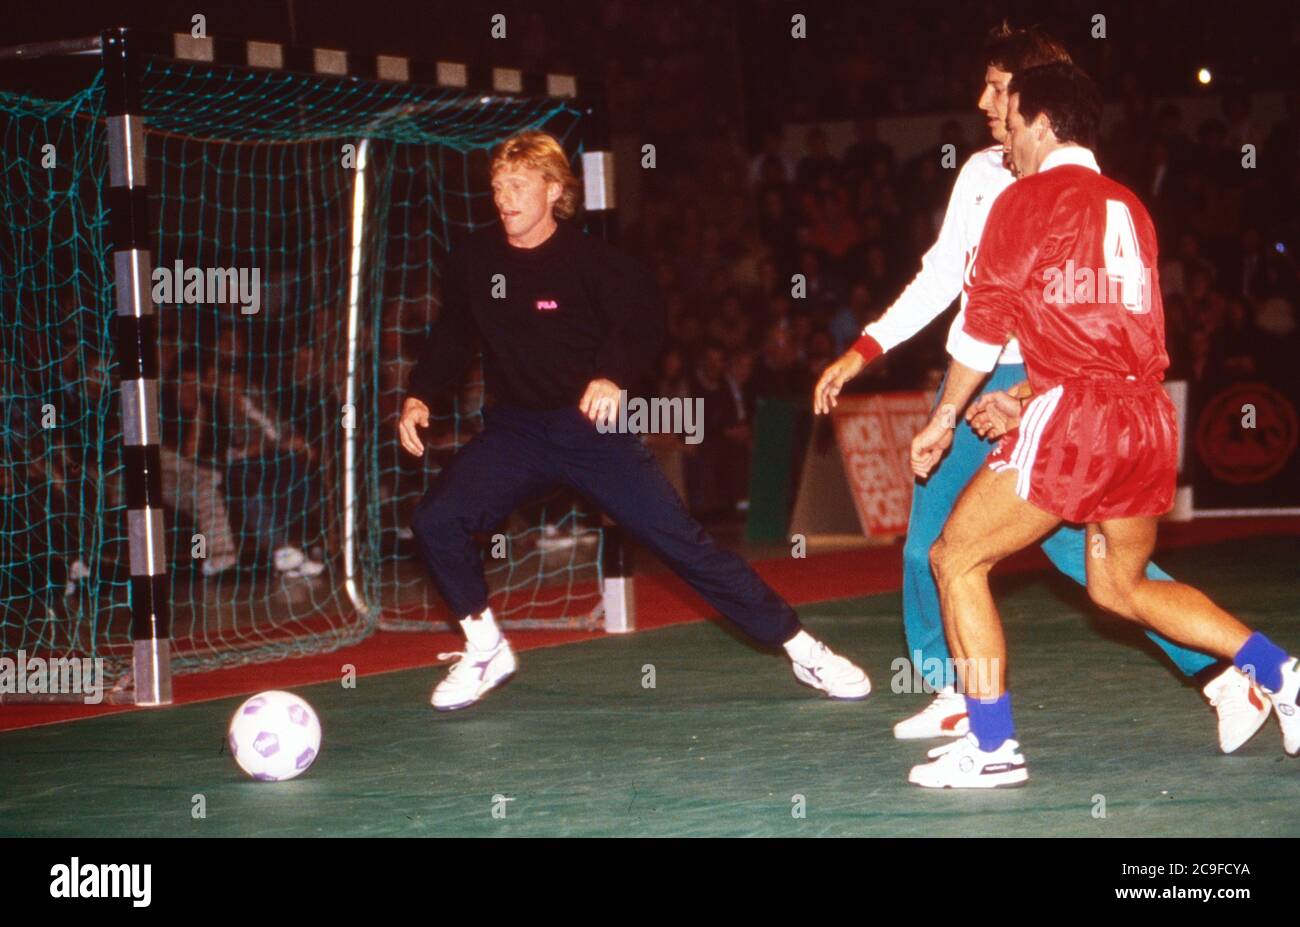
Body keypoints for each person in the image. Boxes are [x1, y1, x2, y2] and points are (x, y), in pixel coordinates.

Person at [812, 23, 1264, 754]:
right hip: (1025, 381)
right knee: (978, 548)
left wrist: (1008, 397)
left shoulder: (1054, 179)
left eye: (998, 88)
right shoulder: (1001, 173)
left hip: (1037, 378)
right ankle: (962, 694)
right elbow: (942, 276)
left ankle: (997, 720)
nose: (983, 101)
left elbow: (1034, 317)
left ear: (1036, 101)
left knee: (998, 552)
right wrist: (865, 348)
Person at [906, 62, 1300, 788]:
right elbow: (1117, 337)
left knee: (954, 558)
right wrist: (1028, 392)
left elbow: (981, 326)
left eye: (1012, 123)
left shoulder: (1024, 200)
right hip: (1145, 417)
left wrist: (945, 417)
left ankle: (992, 745)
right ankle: (1281, 672)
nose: (1005, 141)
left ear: (1041, 124)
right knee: (1119, 584)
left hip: (1079, 420)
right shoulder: (1130, 206)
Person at [398, 130, 870, 711]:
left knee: (684, 546)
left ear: (554, 190)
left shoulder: (593, 263)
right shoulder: (475, 260)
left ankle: (804, 649)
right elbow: (452, 334)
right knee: (436, 520)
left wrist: (611, 375)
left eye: (518, 184)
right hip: (515, 432)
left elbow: (643, 320)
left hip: (590, 431)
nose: (504, 197)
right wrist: (420, 393)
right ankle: (485, 647)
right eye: (498, 186)